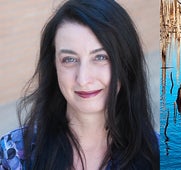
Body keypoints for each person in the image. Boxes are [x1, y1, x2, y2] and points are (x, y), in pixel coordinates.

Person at [0, 0, 160, 169]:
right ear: (54, 67)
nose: (83, 79)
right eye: (69, 59)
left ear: (126, 63)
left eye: (100, 57)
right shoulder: (13, 154)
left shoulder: (161, 157)